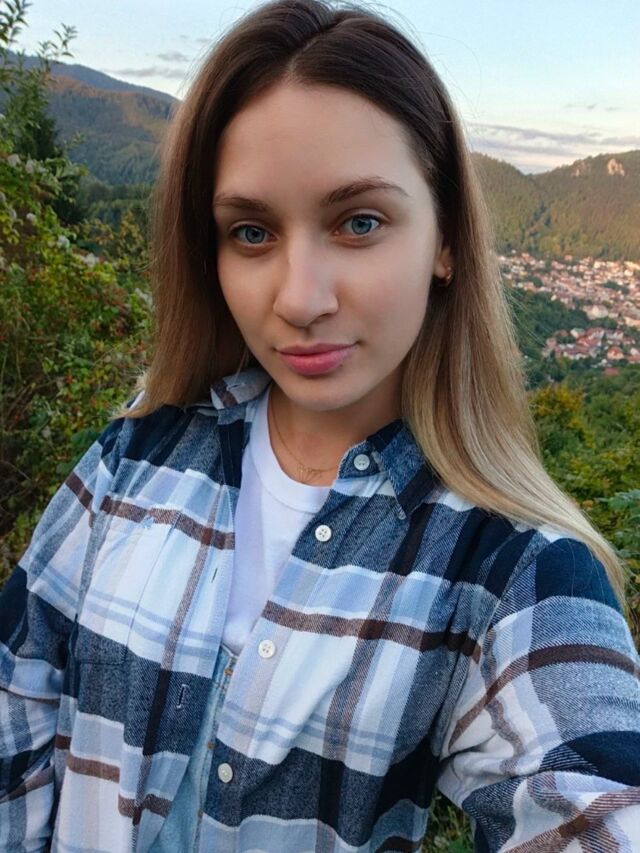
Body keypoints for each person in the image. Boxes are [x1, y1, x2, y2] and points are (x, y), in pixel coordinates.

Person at [1, 0, 639, 849]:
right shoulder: (136, 456)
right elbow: (17, 683)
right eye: (251, 232)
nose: (300, 298)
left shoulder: (505, 566)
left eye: (359, 222)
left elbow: (592, 803)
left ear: (446, 238)